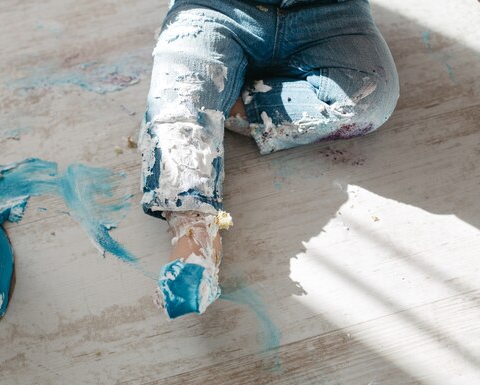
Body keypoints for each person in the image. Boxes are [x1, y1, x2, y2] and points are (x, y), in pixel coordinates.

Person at [139, 0, 399, 319]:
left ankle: (226, 101)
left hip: (329, 12)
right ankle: (193, 230)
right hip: (216, 8)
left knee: (368, 99)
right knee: (178, 102)